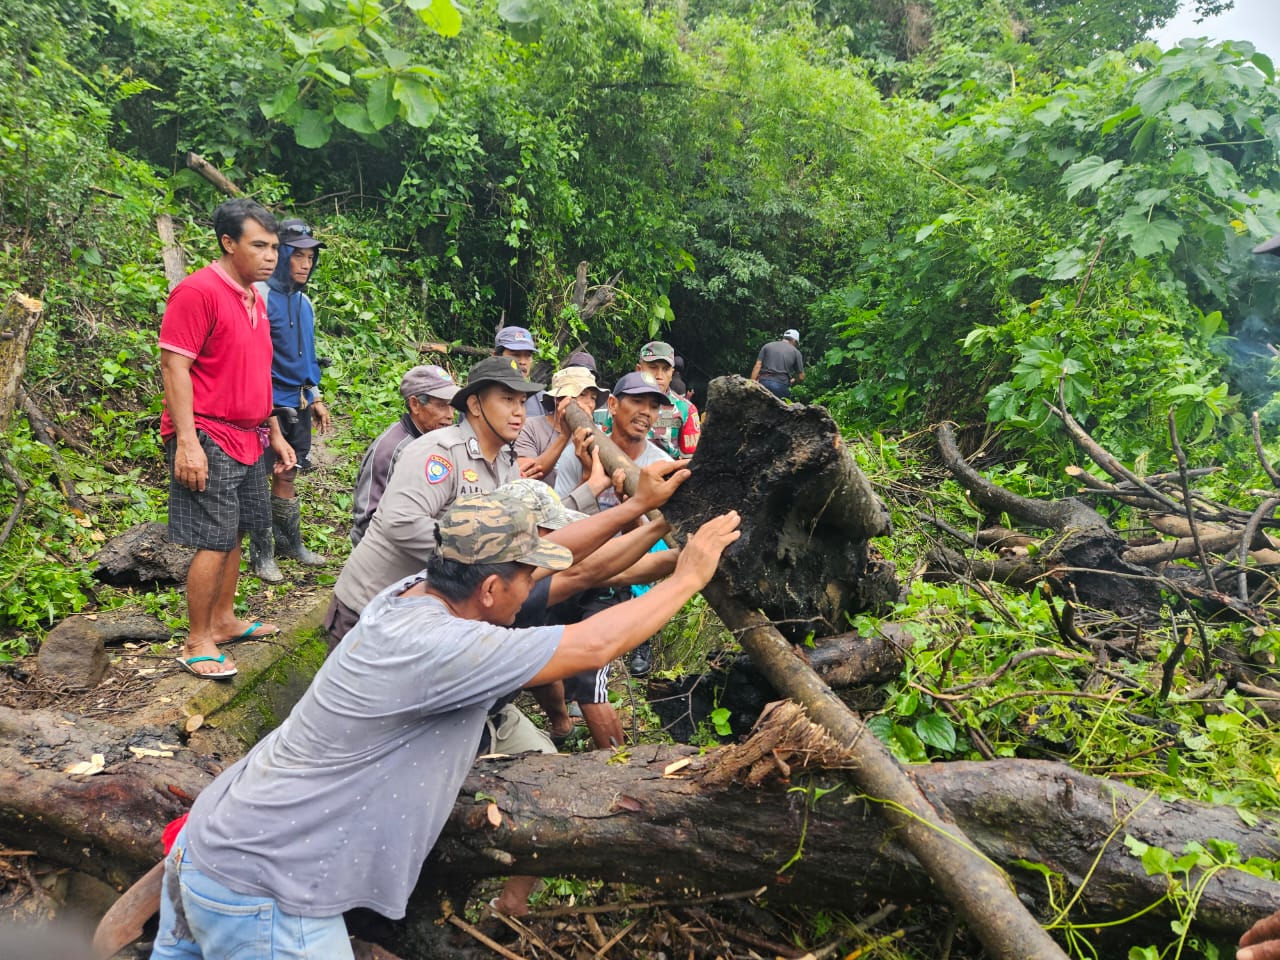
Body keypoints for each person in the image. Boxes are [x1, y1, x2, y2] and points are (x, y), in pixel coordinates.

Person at [150, 496, 741, 958]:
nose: (534, 586)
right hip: (268, 891)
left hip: (212, 846)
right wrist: (686, 578)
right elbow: (594, 644)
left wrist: (642, 507)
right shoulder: (447, 646)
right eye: (526, 577)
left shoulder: (410, 593)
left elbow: (553, 561)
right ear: (490, 588)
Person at [326, 356, 617, 647]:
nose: (519, 412)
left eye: (521, 401)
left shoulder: (504, 463)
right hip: (368, 611)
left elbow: (528, 524)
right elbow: (401, 523)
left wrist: (591, 489)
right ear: (475, 406)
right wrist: (483, 553)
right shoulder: (439, 452)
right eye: (507, 399)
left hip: (420, 620)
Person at [159, 199, 296, 680]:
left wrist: (274, 431)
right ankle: (197, 640)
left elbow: (258, 372)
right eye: (259, 245)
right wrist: (187, 442)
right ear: (228, 243)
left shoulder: (256, 297)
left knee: (237, 529)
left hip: (249, 434)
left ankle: (222, 620)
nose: (271, 256)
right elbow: (174, 366)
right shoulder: (198, 292)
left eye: (274, 247)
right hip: (209, 432)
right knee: (214, 538)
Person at [248, 218, 331, 582]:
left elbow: (306, 355)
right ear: (280, 254)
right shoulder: (259, 297)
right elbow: (255, 363)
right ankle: (261, 553)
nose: (305, 264)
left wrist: (315, 396)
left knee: (289, 472)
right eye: (298, 255)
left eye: (310, 257)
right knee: (258, 478)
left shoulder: (304, 302)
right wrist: (269, 419)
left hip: (297, 403)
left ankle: (289, 543)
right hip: (266, 406)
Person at [349, 364, 459, 546]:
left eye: (452, 406)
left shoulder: (435, 439)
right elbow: (367, 518)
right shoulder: (391, 450)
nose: (450, 415)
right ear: (415, 405)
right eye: (441, 406)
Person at [514, 365, 602, 487]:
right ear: (559, 399)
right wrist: (564, 436)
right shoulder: (531, 427)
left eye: (593, 398)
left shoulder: (596, 434)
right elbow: (526, 474)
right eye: (582, 394)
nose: (590, 404)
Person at [636, 340, 700, 456]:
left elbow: (690, 460)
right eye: (653, 367)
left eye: (665, 369)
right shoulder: (621, 404)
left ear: (672, 373)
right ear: (639, 370)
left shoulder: (685, 409)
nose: (659, 376)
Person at [495, 325, 546, 421]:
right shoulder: (483, 397)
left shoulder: (543, 399)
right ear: (496, 357)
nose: (523, 362)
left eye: (528, 356)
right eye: (515, 355)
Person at [750, 328, 805, 399]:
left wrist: (751, 384)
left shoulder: (767, 346)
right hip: (781, 386)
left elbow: (758, 366)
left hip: (763, 383)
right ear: (794, 341)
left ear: (784, 337)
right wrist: (793, 381)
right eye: (796, 344)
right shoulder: (796, 352)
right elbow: (801, 377)